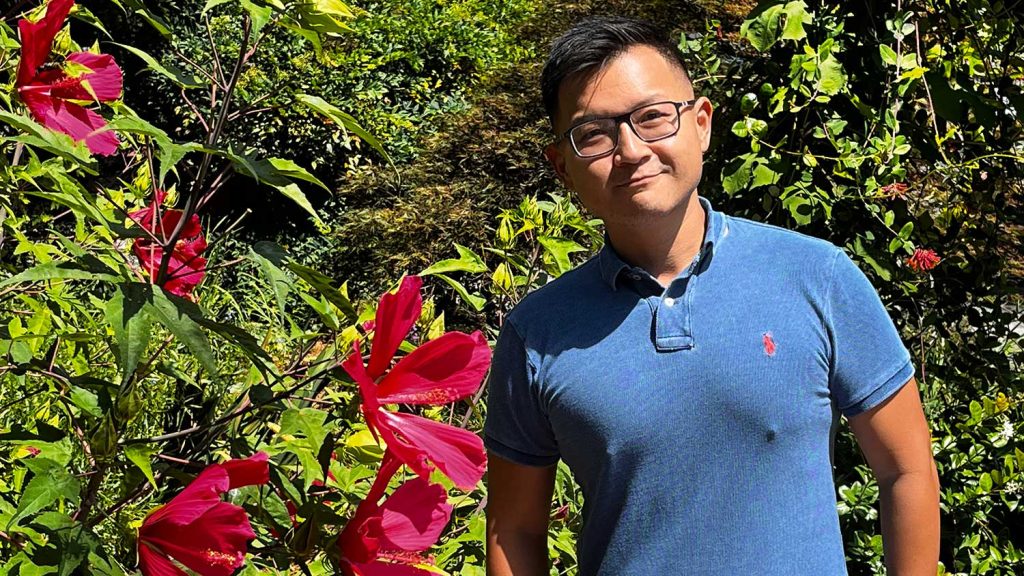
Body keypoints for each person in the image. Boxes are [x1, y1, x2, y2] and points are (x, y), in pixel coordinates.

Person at [483, 16, 940, 576]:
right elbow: (516, 528)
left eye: (652, 117)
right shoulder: (538, 332)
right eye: (594, 134)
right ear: (562, 166)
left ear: (700, 124)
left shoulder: (816, 276)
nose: (630, 149)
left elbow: (907, 470)